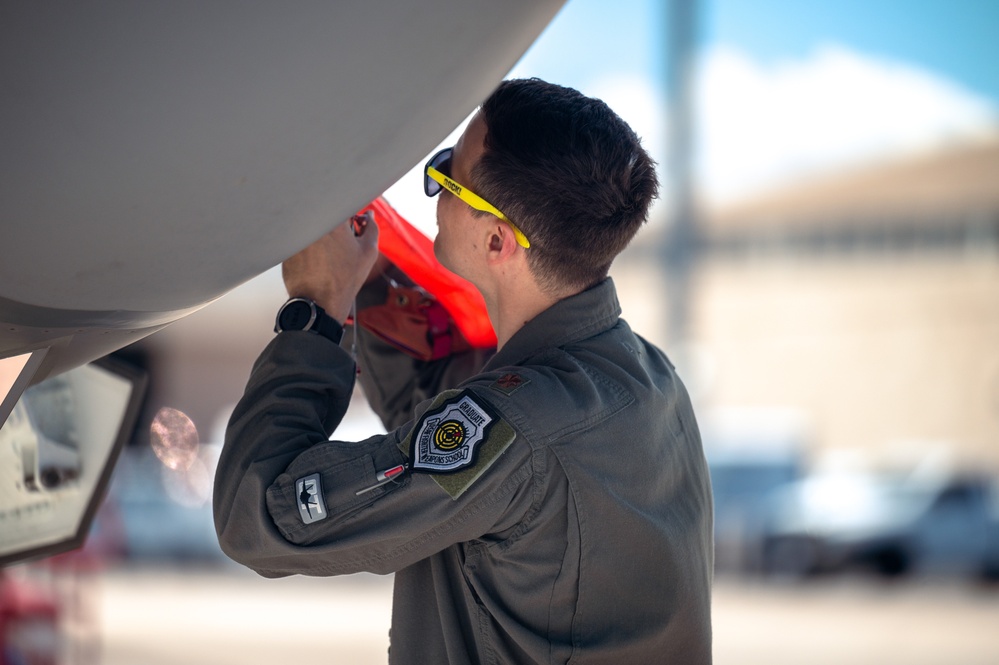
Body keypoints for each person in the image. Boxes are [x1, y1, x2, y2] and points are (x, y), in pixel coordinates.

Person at [214, 78, 713, 664]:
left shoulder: (518, 429)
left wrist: (316, 315)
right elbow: (432, 426)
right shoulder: (650, 378)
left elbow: (257, 517)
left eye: (446, 176)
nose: (433, 192)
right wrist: (371, 286)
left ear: (499, 240)